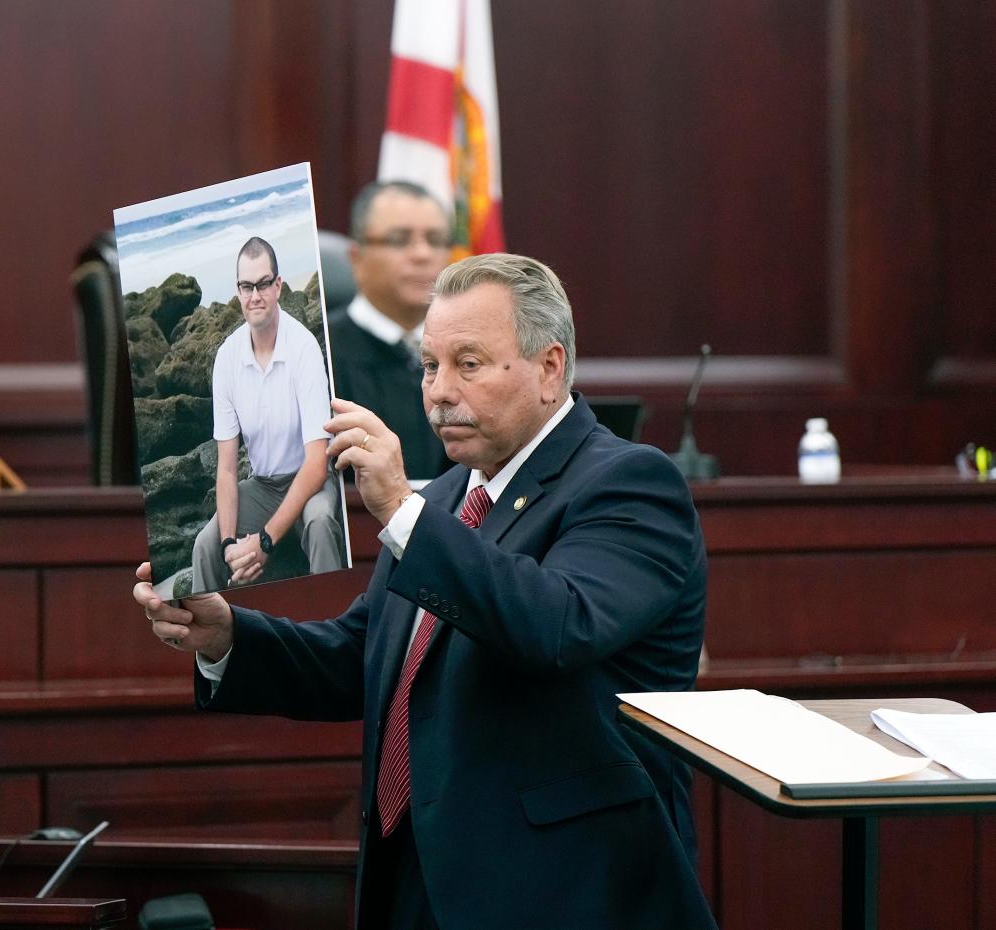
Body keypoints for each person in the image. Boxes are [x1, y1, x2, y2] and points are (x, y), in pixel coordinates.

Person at [139, 253, 716, 929]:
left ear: (550, 368)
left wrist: (404, 513)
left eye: (468, 364)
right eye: (429, 365)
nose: (439, 392)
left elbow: (555, 624)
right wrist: (228, 637)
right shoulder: (445, 497)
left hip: (565, 892)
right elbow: (368, 658)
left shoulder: (629, 483)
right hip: (417, 878)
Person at [190, 236, 343, 593]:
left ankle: (335, 629)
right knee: (203, 545)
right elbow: (227, 469)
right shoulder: (227, 359)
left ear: (277, 285)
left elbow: (317, 464)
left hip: (309, 479)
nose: (254, 295)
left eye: (262, 284)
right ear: (238, 290)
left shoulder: (304, 348)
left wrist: (264, 542)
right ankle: (208, 645)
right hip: (262, 485)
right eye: (247, 286)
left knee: (320, 523)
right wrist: (230, 545)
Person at [327, 180, 452, 480]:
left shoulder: (467, 350)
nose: (422, 254)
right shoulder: (323, 351)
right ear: (357, 259)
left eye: (435, 240)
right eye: (399, 240)